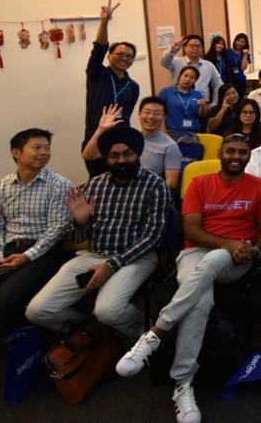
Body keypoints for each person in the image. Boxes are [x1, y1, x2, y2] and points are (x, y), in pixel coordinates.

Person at [115, 133, 261, 423]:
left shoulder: (259, 187)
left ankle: (156, 333)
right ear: (220, 153)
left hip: (236, 259)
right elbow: (191, 231)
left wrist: (254, 251)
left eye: (242, 152)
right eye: (231, 151)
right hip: (196, 252)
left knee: (213, 261)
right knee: (200, 303)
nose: (236, 156)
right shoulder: (199, 183)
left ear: (248, 156)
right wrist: (226, 243)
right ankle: (183, 383)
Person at [26, 126, 170, 340]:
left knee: (107, 311)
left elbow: (153, 237)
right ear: (106, 158)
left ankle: (146, 333)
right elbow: (76, 238)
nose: (121, 160)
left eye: (127, 154)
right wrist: (80, 222)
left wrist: (111, 265)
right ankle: (91, 331)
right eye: (114, 155)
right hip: (94, 255)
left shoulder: (155, 185)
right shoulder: (94, 184)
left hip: (136, 257)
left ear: (137, 154)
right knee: (37, 311)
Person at [0, 129, 72, 361]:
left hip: (45, 252)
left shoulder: (59, 184)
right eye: (37, 147)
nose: (44, 152)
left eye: (47, 148)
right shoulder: (0, 186)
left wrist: (26, 257)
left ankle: (31, 348)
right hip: (8, 250)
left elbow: (57, 229)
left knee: (0, 304)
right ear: (16, 153)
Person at [84, 0, 141, 177]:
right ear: (109, 57)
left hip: (122, 142)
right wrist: (104, 22)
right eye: (120, 54)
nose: (125, 58)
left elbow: (128, 115)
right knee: (99, 181)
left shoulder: (133, 86)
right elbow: (99, 48)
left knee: (124, 179)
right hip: (96, 139)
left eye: (129, 56)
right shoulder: (97, 74)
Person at [82, 99, 182, 191]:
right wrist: (101, 129)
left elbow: (171, 183)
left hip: (145, 191)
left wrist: (145, 192)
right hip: (115, 188)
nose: (151, 117)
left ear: (164, 117)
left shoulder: (170, 145)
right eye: (147, 112)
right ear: (139, 114)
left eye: (157, 113)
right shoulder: (128, 138)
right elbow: (88, 155)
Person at [160, 35, 223, 104]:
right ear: (185, 48)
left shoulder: (208, 65)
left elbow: (218, 84)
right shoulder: (176, 62)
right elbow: (164, 62)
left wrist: (214, 104)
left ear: (202, 48)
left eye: (198, 46)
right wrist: (173, 49)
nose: (195, 48)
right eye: (191, 46)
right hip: (179, 103)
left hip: (202, 104)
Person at [159, 65, 210, 139]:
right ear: (179, 77)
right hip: (172, 132)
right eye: (185, 76)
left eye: (192, 78)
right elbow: (159, 113)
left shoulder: (197, 94)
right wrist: (164, 132)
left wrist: (203, 106)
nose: (188, 79)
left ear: (195, 81)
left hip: (193, 132)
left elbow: (202, 115)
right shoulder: (166, 92)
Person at [229, 32, 252, 96]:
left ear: (245, 44)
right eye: (238, 40)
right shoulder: (228, 51)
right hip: (228, 79)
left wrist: (245, 55)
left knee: (240, 97)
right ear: (235, 41)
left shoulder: (246, 54)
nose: (239, 43)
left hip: (240, 80)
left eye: (242, 42)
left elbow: (243, 68)